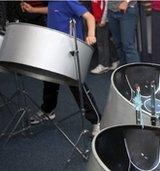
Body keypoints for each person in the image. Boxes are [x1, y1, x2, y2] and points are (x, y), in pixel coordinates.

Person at [21, 1, 101, 137]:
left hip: (70, 49)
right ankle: (48, 110)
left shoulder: (68, 0)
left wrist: (91, 34)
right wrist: (33, 10)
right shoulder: (53, 1)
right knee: (49, 80)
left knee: (76, 86)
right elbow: (53, 10)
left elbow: (89, 17)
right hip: (54, 46)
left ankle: (97, 122)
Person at [90, 0, 119, 74]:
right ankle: (115, 59)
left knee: (101, 41)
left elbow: (106, 3)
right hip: (98, 17)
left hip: (102, 18)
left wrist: (103, 19)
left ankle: (104, 65)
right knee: (106, 40)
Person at [107, 0, 140, 65]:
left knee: (128, 46)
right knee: (118, 44)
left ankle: (135, 73)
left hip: (127, 9)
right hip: (111, 10)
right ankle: (124, 70)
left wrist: (126, 1)